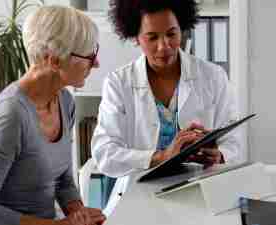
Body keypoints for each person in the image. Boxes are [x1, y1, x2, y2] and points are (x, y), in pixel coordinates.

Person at [91, 0, 241, 217]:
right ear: (135, 37)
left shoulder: (213, 76)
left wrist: (220, 155)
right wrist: (160, 156)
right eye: (152, 37)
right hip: (139, 195)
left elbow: (234, 141)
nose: (164, 46)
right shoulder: (118, 83)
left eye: (172, 34)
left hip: (202, 193)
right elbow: (104, 153)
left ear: (182, 28)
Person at [0, 6, 106, 225]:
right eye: (89, 56)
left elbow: (62, 179)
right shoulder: (11, 117)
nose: (96, 63)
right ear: (54, 61)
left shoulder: (64, 101)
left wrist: (80, 214)